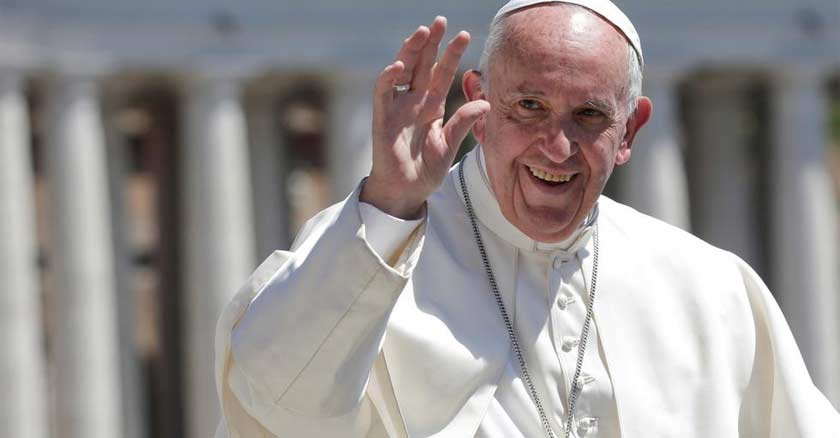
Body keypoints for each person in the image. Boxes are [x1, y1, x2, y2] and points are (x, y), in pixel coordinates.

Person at [214, 1, 840, 437]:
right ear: (480, 103)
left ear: (631, 131)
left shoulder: (711, 289)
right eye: (529, 107)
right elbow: (276, 411)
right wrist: (388, 206)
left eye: (589, 117)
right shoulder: (366, 250)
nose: (557, 147)